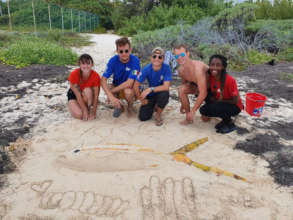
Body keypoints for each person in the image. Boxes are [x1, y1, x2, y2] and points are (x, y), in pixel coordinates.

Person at [199, 54, 243, 134]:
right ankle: (224, 119)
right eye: (212, 65)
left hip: (235, 106)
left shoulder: (230, 80)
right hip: (221, 101)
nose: (214, 68)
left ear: (223, 67)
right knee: (203, 110)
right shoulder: (211, 77)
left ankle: (229, 123)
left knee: (215, 107)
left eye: (218, 65)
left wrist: (219, 101)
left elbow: (235, 101)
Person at [101, 37, 140, 117]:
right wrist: (110, 95)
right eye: (121, 51)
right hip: (117, 85)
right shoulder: (113, 61)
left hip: (130, 88)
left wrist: (111, 92)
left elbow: (129, 83)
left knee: (128, 92)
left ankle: (129, 106)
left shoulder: (135, 61)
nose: (124, 53)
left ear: (130, 50)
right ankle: (119, 107)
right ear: (117, 51)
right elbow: (103, 80)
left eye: (126, 51)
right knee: (109, 88)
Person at [134, 47, 172, 126]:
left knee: (165, 94)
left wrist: (151, 89)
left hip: (159, 93)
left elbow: (166, 87)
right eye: (154, 56)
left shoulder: (167, 68)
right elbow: (136, 85)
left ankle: (158, 115)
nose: (157, 59)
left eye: (160, 57)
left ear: (163, 58)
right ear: (151, 58)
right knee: (143, 117)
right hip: (150, 95)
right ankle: (154, 106)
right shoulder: (146, 69)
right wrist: (141, 99)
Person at [173, 44, 209, 125]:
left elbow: (204, 93)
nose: (179, 58)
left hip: (210, 90)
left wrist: (193, 111)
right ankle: (188, 117)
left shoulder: (198, 68)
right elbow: (184, 86)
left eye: (182, 55)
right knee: (181, 89)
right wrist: (183, 103)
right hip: (197, 88)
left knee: (205, 118)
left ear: (188, 53)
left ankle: (193, 113)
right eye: (176, 56)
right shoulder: (181, 70)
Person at [67, 54, 100, 121]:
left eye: (88, 63)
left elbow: (96, 95)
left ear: (92, 64)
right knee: (79, 115)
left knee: (87, 90)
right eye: (83, 64)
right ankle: (77, 106)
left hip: (87, 94)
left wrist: (94, 112)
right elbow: (77, 94)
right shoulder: (74, 74)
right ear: (79, 64)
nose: (86, 66)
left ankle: (87, 107)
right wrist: (84, 110)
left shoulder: (96, 76)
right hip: (74, 95)